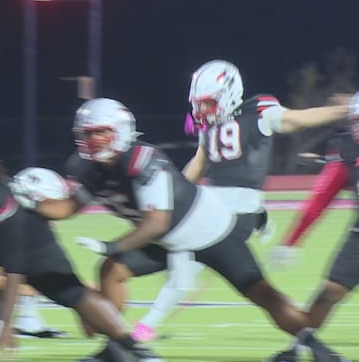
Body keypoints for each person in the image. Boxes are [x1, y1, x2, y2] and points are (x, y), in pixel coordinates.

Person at [12, 97, 347, 362]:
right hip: (167, 238)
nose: (94, 141)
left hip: (209, 231)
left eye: (101, 132)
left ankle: (315, 346)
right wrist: (31, 202)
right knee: (111, 271)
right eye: (88, 134)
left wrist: (115, 245)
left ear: (120, 131)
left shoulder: (144, 161)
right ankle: (118, 346)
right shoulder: (88, 168)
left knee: (261, 294)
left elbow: (156, 221)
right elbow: (68, 207)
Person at [129, 59, 349, 342]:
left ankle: (145, 327)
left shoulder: (259, 110)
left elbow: (296, 119)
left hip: (231, 208)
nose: (202, 111)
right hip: (218, 204)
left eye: (208, 103)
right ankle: (147, 326)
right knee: (187, 260)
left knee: (188, 259)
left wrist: (345, 110)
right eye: (199, 104)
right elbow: (197, 165)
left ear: (230, 94)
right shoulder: (212, 127)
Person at [0, 131, 163, 362]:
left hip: (24, 241)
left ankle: (134, 348)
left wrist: (6, 325)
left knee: (70, 291)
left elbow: (14, 270)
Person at [266, 94, 359, 361]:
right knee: (328, 294)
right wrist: (290, 240)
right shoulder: (347, 151)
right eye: (355, 122)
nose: (357, 129)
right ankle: (299, 348)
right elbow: (320, 198)